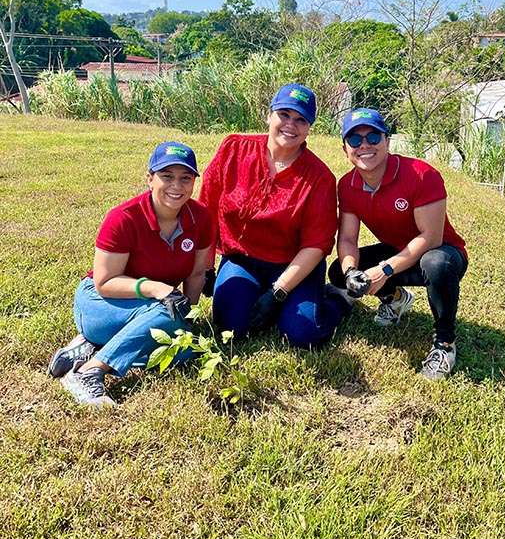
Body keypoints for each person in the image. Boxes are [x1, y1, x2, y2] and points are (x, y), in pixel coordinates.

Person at [47, 141, 214, 407]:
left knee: (183, 352)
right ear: (150, 178)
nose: (176, 186)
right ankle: (89, 370)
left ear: (194, 182)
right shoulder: (123, 218)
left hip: (153, 305)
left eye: (185, 178)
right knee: (164, 317)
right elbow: (105, 282)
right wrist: (156, 288)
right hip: (100, 301)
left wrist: (187, 319)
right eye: (166, 176)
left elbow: (196, 274)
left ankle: (91, 347)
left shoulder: (201, 218)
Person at [199, 83, 346, 348]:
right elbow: (206, 210)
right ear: (269, 115)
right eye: (284, 114)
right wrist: (206, 268)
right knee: (231, 328)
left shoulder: (320, 178)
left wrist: (278, 292)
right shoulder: (234, 149)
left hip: (294, 264)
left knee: (303, 334)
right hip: (243, 259)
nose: (291, 125)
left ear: (309, 128)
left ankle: (337, 298)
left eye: (301, 120)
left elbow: (317, 244)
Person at [328, 108, 468, 380]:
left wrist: (385, 270)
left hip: (443, 253)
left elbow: (431, 237)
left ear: (387, 141)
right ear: (345, 149)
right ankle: (396, 300)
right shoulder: (347, 185)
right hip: (398, 251)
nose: (364, 145)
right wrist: (351, 272)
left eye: (373, 137)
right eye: (355, 140)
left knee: (435, 263)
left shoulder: (421, 174)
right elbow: (347, 239)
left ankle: (445, 344)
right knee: (338, 271)